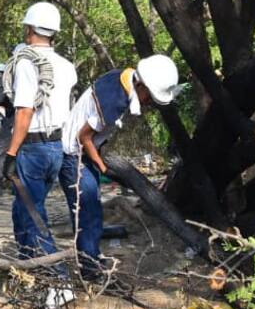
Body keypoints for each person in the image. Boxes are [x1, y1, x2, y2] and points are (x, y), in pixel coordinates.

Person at [62, 55, 181, 280]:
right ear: (142, 85)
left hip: (84, 152)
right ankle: (90, 269)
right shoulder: (113, 101)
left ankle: (92, 257)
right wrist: (102, 167)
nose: (150, 103)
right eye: (150, 97)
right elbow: (84, 137)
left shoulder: (121, 79)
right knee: (87, 212)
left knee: (93, 210)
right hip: (74, 155)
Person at [0, 3, 77, 307]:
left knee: (34, 215)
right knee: (23, 210)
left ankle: (59, 281)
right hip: (56, 147)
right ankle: (28, 274)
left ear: (29, 29)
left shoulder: (26, 63)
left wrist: (11, 152)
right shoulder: (66, 66)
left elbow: (25, 112)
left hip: (32, 146)